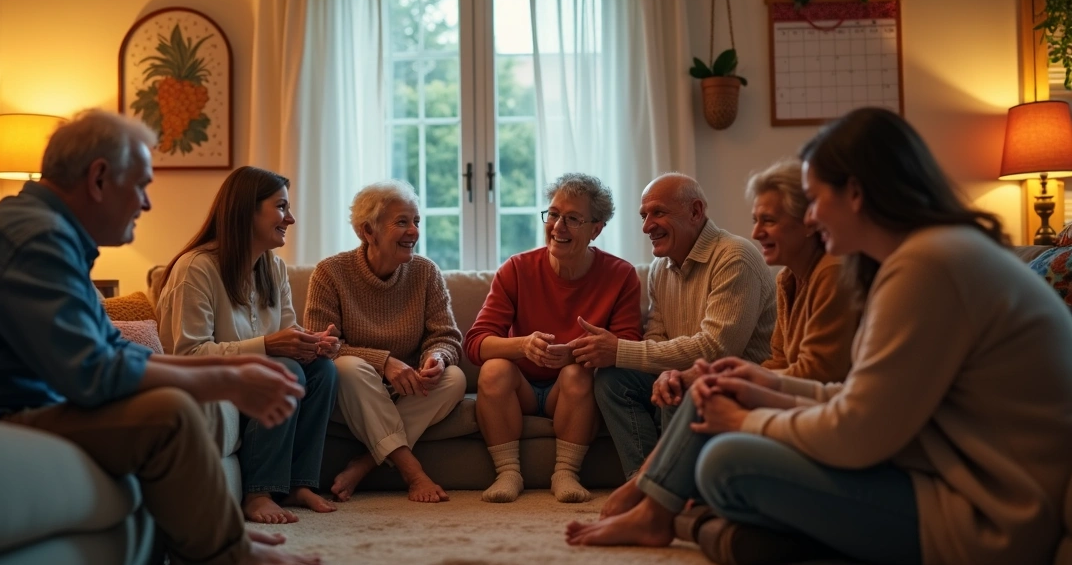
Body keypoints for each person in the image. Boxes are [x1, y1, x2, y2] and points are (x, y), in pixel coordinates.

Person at [565, 107, 1072, 565]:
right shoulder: (932, 254)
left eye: (813, 198)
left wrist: (743, 419)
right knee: (723, 422)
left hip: (989, 522)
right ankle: (689, 515)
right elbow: (860, 400)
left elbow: (857, 433)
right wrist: (764, 383)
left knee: (729, 462)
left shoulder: (927, 267)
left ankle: (683, 516)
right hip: (950, 482)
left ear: (854, 193)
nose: (809, 216)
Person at [0, 110, 324, 565]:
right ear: (98, 178)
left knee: (170, 400)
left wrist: (223, 376)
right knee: (167, 414)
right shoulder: (33, 238)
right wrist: (225, 377)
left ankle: (216, 533)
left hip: (4, 402)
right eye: (141, 185)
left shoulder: (48, 233)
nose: (147, 203)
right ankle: (224, 555)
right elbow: (92, 372)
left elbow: (111, 347)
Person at [156, 166, 339, 525]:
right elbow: (187, 354)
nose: (291, 218)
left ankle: (298, 484)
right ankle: (258, 493)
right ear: (247, 210)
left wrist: (314, 345)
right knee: (283, 369)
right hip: (210, 383)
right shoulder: (196, 269)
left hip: (257, 380)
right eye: (281, 207)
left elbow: (287, 335)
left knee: (322, 371)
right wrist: (269, 347)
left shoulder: (274, 268)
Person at [465, 173, 641, 504]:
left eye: (572, 219)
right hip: (523, 392)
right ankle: (508, 473)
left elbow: (627, 346)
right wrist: (523, 346)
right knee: (494, 370)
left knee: (576, 373)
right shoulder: (517, 269)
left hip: (572, 392)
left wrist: (574, 355)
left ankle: (566, 473)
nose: (558, 227)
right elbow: (476, 344)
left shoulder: (621, 275)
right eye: (554, 214)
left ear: (596, 229)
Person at [589, 173, 775, 480]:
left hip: (732, 381)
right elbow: (656, 336)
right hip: (684, 375)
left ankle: (667, 485)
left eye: (658, 212)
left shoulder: (735, 257)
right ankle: (643, 479)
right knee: (612, 380)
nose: (647, 226)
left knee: (680, 386)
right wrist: (663, 372)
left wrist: (619, 350)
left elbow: (715, 350)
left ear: (696, 211)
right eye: (644, 216)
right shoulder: (660, 269)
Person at [304, 180, 466, 504]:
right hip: (353, 391)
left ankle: (364, 463)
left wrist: (437, 357)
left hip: (407, 390)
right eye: (402, 222)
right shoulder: (330, 273)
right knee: (349, 368)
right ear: (368, 231)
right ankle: (413, 473)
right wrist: (384, 362)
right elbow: (321, 346)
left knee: (455, 378)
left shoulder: (426, 273)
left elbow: (445, 335)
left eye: (416, 221)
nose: (414, 232)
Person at [746, 157, 856, 379]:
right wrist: (730, 378)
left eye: (768, 220)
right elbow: (780, 360)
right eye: (755, 220)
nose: (755, 234)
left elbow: (819, 372)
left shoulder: (832, 273)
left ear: (809, 222)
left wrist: (743, 381)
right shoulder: (786, 278)